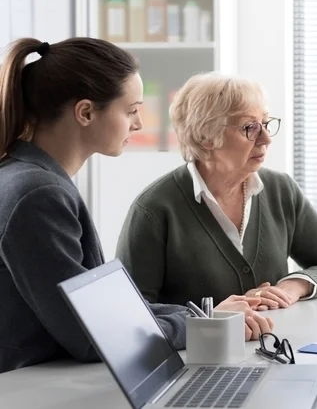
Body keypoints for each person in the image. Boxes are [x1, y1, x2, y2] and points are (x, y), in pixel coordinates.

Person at [0, 38, 271, 374]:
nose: (138, 124)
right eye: (130, 111)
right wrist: (203, 325)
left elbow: (103, 310)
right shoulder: (38, 193)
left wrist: (205, 316)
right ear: (85, 112)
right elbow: (95, 336)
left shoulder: (34, 178)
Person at [116, 73, 317, 311]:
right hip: (198, 351)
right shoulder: (154, 209)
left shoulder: (281, 190)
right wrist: (214, 317)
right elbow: (133, 313)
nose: (265, 139)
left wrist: (291, 287)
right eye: (249, 127)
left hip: (278, 346)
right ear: (205, 136)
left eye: (265, 123)